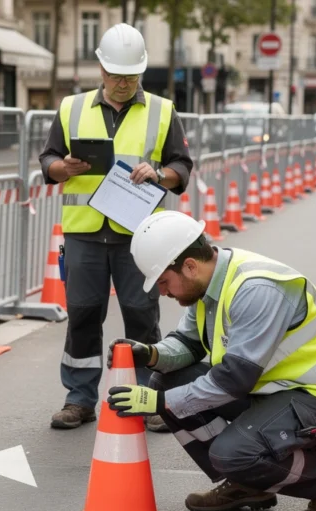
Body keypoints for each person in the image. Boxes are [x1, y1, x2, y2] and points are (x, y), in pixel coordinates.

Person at [104, 210, 316, 511]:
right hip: (275, 392)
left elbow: (233, 380)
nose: (162, 292)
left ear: (189, 266)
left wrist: (160, 404)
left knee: (229, 452)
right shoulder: (207, 285)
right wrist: (149, 354)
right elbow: (188, 347)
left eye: (163, 282)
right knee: (167, 382)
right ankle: (249, 482)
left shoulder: (257, 289)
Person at [39, 23, 193, 432]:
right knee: (83, 316)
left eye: (131, 76)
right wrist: (62, 167)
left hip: (139, 236)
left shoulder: (162, 111)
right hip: (84, 234)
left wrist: (160, 174)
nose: (124, 83)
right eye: (116, 75)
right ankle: (79, 399)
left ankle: (148, 397)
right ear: (102, 70)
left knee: (142, 317)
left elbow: (182, 166)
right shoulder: (71, 108)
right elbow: (47, 160)